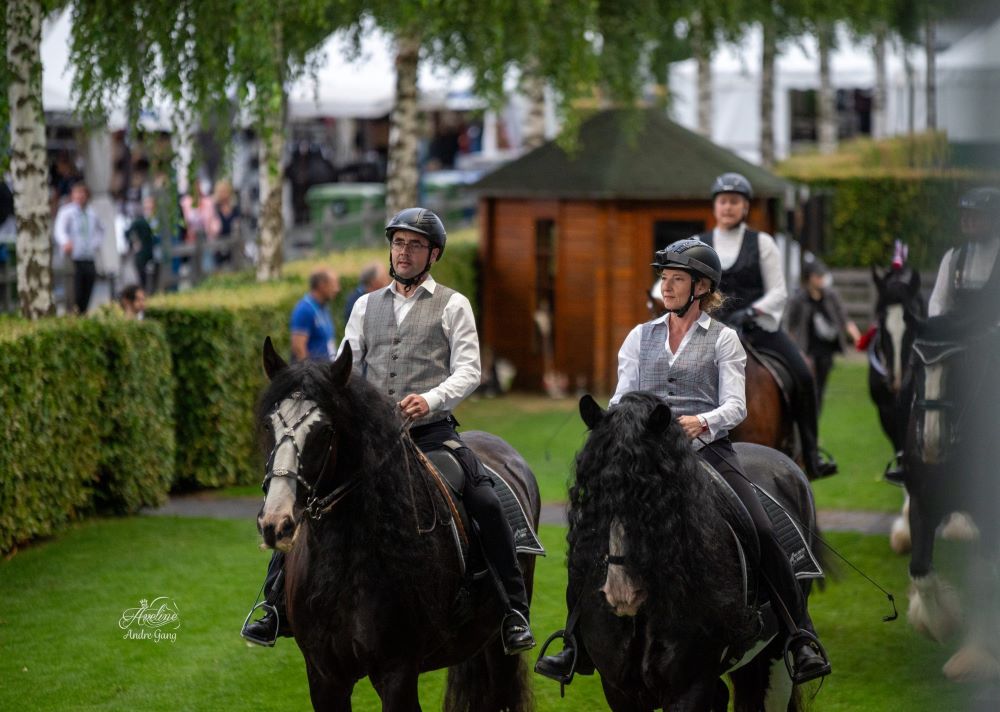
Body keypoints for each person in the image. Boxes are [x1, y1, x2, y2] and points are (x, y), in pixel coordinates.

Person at [535, 240, 831, 685]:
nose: (666, 286)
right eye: (664, 278)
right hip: (645, 459)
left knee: (760, 528)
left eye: (676, 279)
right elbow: (622, 396)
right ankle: (574, 641)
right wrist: (616, 424)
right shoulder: (640, 336)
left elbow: (736, 406)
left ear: (701, 288)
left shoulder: (724, 339)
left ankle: (798, 635)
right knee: (591, 531)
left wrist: (701, 421)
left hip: (707, 453)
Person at [242, 208, 535, 655]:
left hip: (431, 433)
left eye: (415, 245)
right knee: (310, 495)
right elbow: (348, 366)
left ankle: (513, 609)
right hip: (372, 441)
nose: (404, 251)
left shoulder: (454, 305)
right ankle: (274, 604)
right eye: (398, 242)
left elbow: (470, 370)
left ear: (433, 253)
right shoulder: (364, 305)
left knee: (485, 498)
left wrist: (430, 399)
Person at [696, 172, 836, 479]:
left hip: (757, 331)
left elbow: (779, 292)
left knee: (802, 372)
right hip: (710, 332)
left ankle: (811, 455)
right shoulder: (698, 245)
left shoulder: (763, 243)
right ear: (715, 206)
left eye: (735, 201)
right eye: (723, 201)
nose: (728, 207)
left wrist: (750, 312)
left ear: (745, 208)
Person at [784, 256, 861, 410]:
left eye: (822, 275)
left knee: (820, 390)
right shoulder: (799, 299)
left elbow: (844, 318)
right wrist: (792, 350)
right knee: (809, 388)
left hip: (826, 352)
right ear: (809, 277)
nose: (821, 279)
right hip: (807, 351)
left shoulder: (831, 296)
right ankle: (807, 423)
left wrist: (858, 338)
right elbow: (790, 326)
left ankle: (814, 424)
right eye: (817, 275)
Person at [53, 181, 105, 314]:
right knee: (74, 289)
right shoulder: (67, 212)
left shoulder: (92, 212)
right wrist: (66, 242)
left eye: (82, 193)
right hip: (73, 257)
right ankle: (73, 312)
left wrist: (95, 244)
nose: (79, 196)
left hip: (88, 255)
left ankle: (83, 312)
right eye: (77, 193)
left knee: (89, 284)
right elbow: (59, 230)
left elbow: (101, 230)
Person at [289, 268, 340, 362]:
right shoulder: (304, 309)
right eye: (333, 285)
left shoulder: (324, 307)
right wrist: (310, 373)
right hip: (315, 374)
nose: (337, 289)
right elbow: (298, 347)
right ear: (321, 285)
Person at [126, 196, 161, 293]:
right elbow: (129, 233)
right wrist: (134, 242)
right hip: (142, 254)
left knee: (155, 281)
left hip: (155, 253)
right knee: (143, 281)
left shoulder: (158, 220)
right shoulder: (139, 221)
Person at [213, 179, 240, 267]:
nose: (223, 194)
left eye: (225, 191)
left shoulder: (235, 208)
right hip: (218, 247)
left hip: (233, 246)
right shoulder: (214, 209)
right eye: (221, 191)